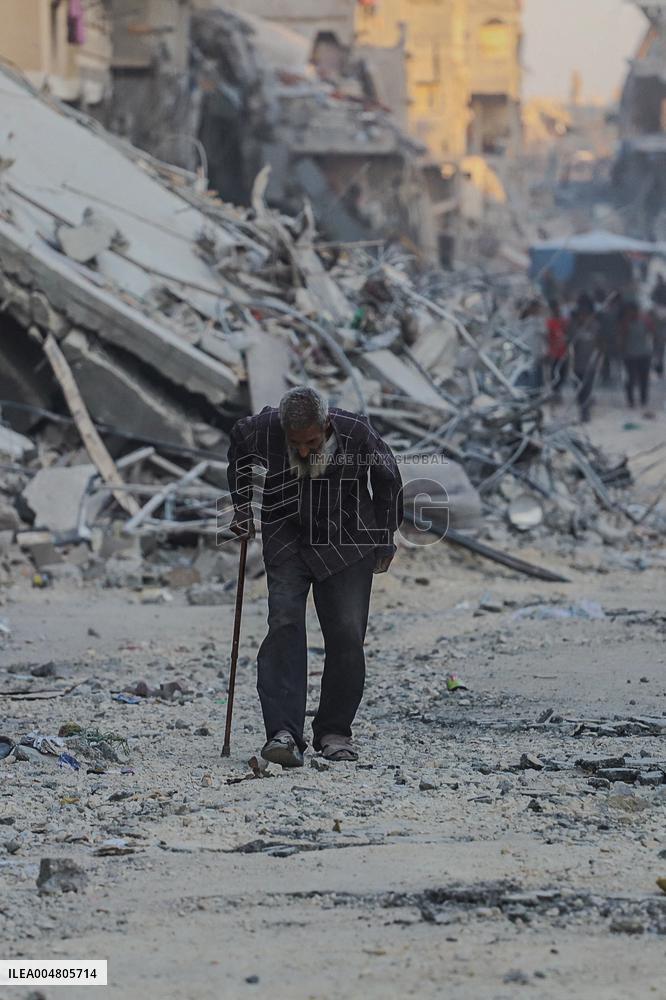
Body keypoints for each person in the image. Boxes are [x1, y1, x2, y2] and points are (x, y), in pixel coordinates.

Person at [227, 386, 403, 767]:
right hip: (287, 536)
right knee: (284, 625)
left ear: (325, 426)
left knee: (346, 632)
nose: (304, 451)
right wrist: (242, 508)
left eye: (311, 442)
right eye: (295, 444)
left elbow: (388, 479)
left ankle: (334, 731)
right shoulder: (261, 429)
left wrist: (385, 538)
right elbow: (239, 450)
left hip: (349, 537)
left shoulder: (356, 432)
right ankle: (284, 733)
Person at [569, 293, 600, 423]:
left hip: (590, 365)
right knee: (579, 391)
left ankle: (585, 413)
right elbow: (571, 344)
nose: (583, 317)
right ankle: (582, 411)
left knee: (587, 390)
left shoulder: (595, 326)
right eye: (581, 315)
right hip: (577, 365)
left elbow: (600, 344)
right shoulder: (574, 328)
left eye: (585, 315)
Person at [620, 301, 654, 409]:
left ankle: (643, 399)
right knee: (631, 378)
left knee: (644, 379)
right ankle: (630, 400)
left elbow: (652, 332)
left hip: (644, 354)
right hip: (630, 355)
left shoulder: (644, 321)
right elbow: (621, 338)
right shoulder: (625, 323)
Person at [546, 299, 569, 397]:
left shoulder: (564, 322)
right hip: (554, 352)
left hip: (564, 352)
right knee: (554, 373)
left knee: (563, 373)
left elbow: (568, 333)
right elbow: (547, 337)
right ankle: (555, 392)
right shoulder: (550, 322)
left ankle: (558, 390)